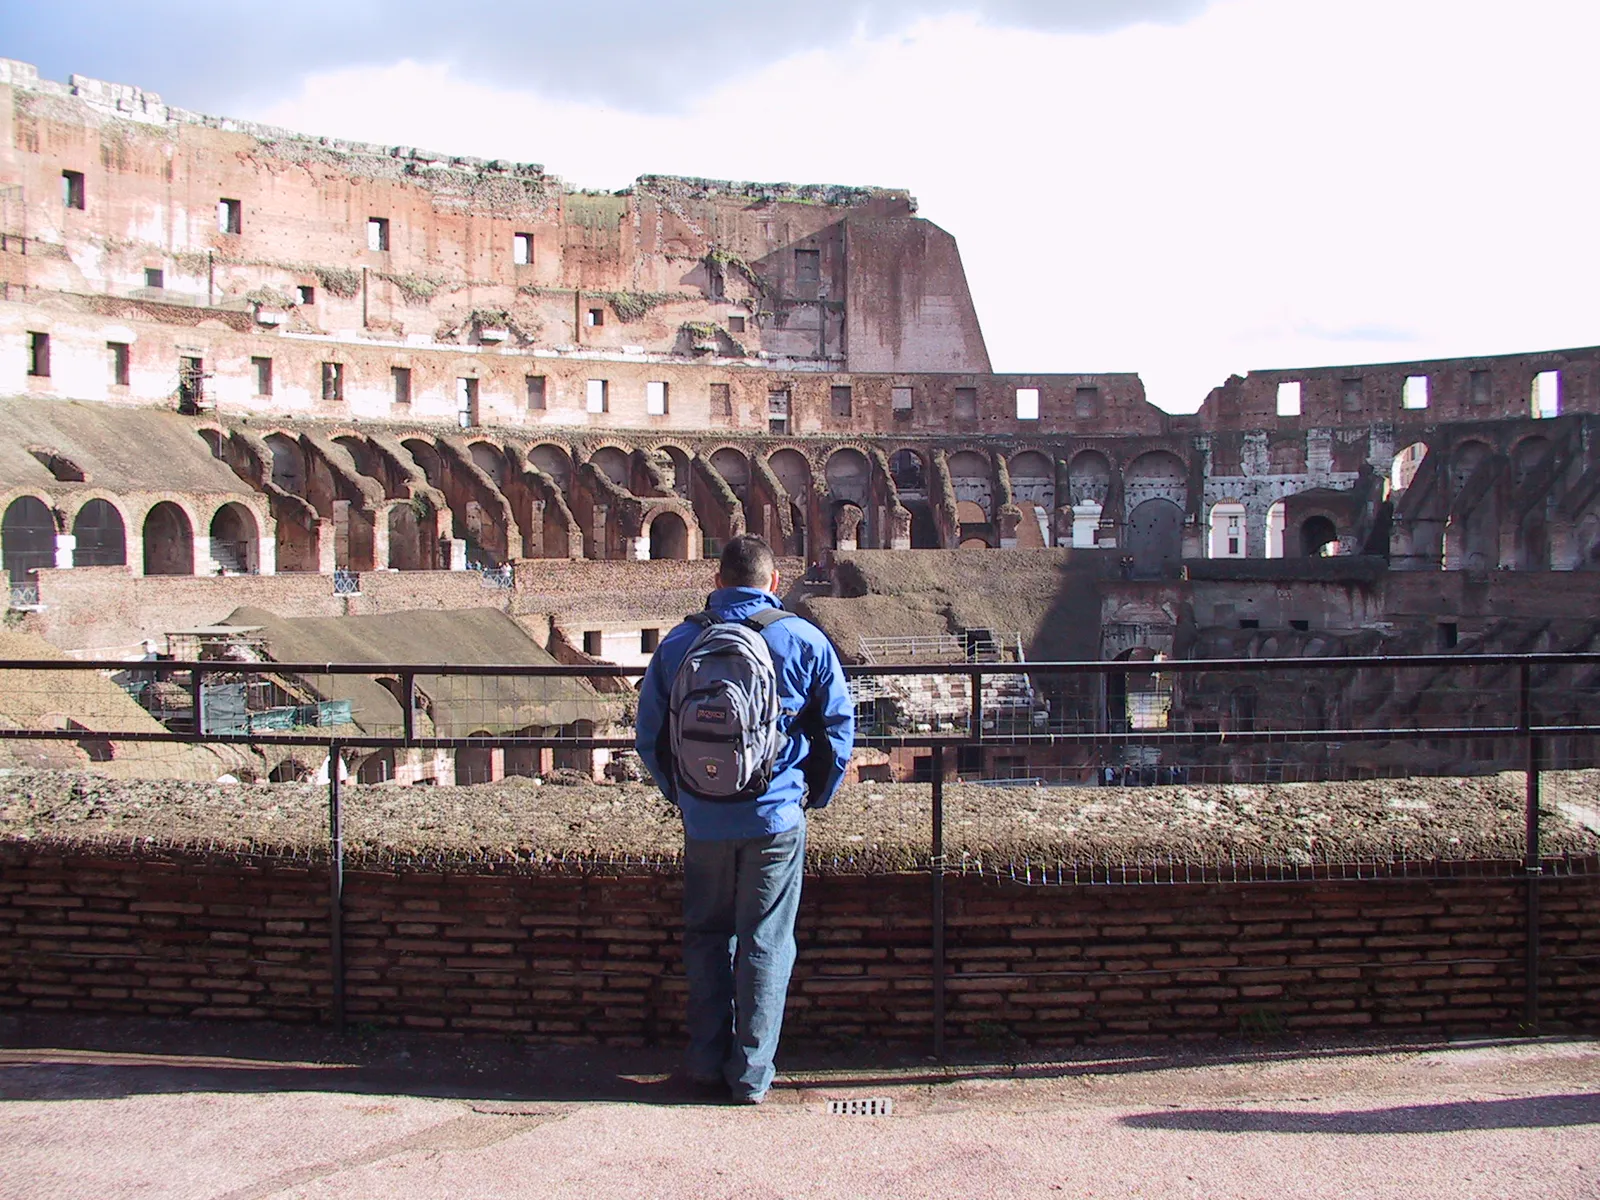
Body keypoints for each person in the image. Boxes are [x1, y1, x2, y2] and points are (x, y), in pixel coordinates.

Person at [635, 535, 854, 1104]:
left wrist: (684, 796)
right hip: (775, 816)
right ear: (773, 582)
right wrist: (813, 795)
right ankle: (751, 1075)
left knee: (706, 938)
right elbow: (837, 731)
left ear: (716, 581)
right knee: (767, 941)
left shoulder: (680, 643)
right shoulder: (803, 638)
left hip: (704, 819)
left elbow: (649, 736)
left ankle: (705, 1063)